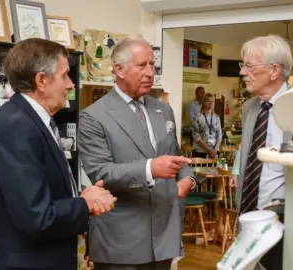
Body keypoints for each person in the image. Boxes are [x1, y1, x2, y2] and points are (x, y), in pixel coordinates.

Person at [0, 38, 117, 270]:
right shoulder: (16, 127)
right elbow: (36, 216)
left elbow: (40, 192)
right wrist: (84, 204)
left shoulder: (32, 121)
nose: (71, 84)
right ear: (41, 80)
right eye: (65, 76)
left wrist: (83, 198)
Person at [77, 35, 197, 270]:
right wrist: (150, 169)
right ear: (119, 70)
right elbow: (101, 173)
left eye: (153, 65)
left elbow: (175, 154)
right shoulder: (94, 116)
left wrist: (187, 178)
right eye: (142, 65)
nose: (150, 72)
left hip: (163, 234)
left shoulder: (163, 110)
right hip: (121, 240)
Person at [230, 34, 293, 270]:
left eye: (249, 66)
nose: (242, 73)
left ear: (274, 70)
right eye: (242, 65)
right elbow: (247, 151)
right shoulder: (249, 108)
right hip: (247, 218)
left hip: (284, 224)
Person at [191, 93, 223, 158]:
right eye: (209, 101)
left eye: (213, 101)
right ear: (204, 103)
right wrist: (209, 150)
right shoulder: (197, 117)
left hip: (214, 152)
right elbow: (196, 137)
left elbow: (219, 134)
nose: (211, 103)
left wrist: (216, 148)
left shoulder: (216, 117)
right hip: (200, 152)